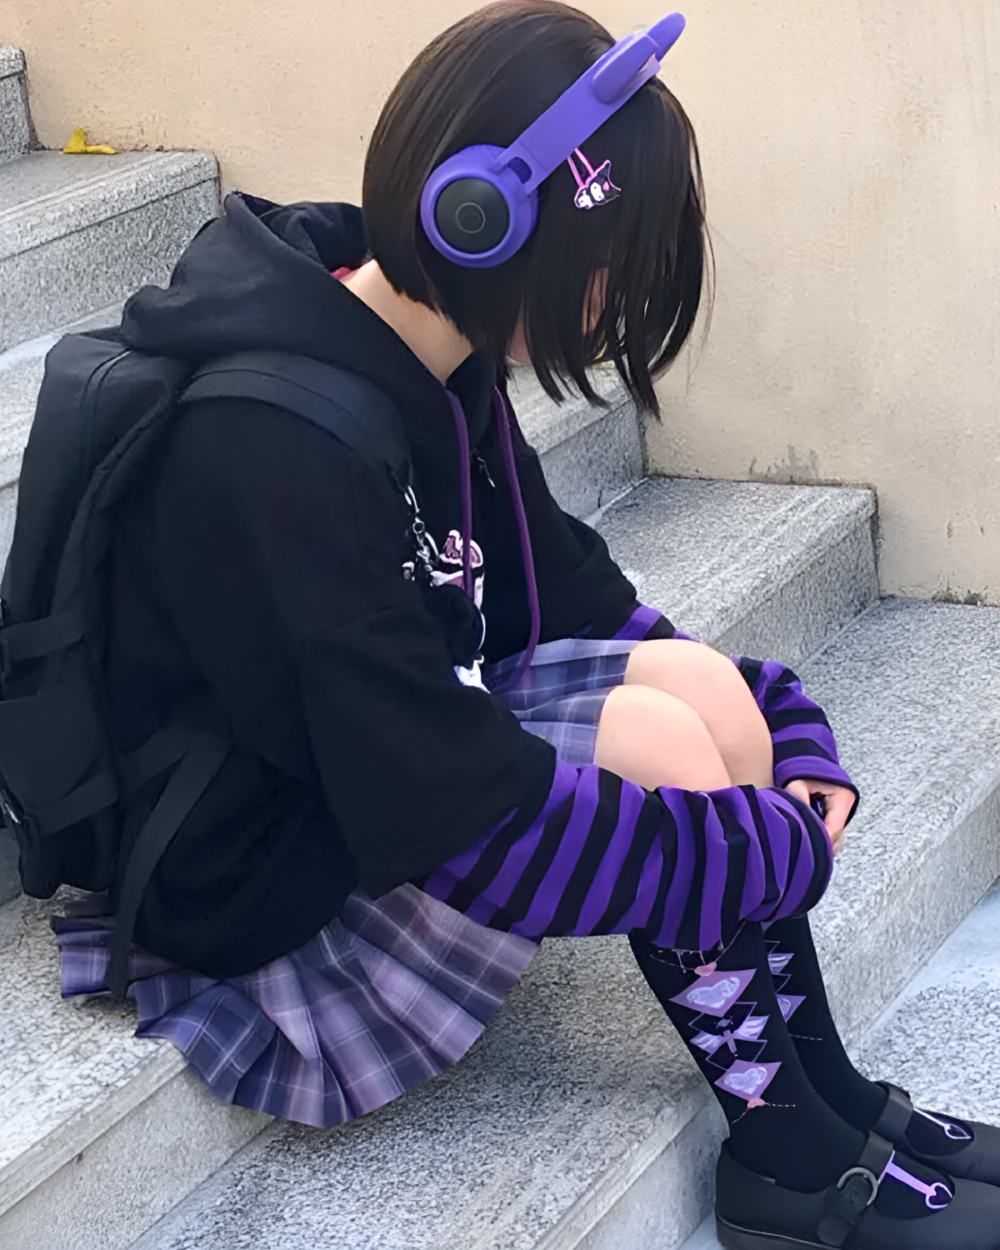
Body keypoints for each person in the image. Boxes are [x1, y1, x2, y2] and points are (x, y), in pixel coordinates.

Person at [50, 3, 1000, 1246]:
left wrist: (781, 727)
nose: (626, 300)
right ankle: (791, 1161)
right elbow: (469, 829)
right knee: (658, 745)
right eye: (621, 263)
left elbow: (580, 602)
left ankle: (830, 1101)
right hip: (271, 892)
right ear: (484, 219)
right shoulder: (273, 447)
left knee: (696, 699)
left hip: (378, 770)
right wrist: (761, 850)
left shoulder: (428, 357)